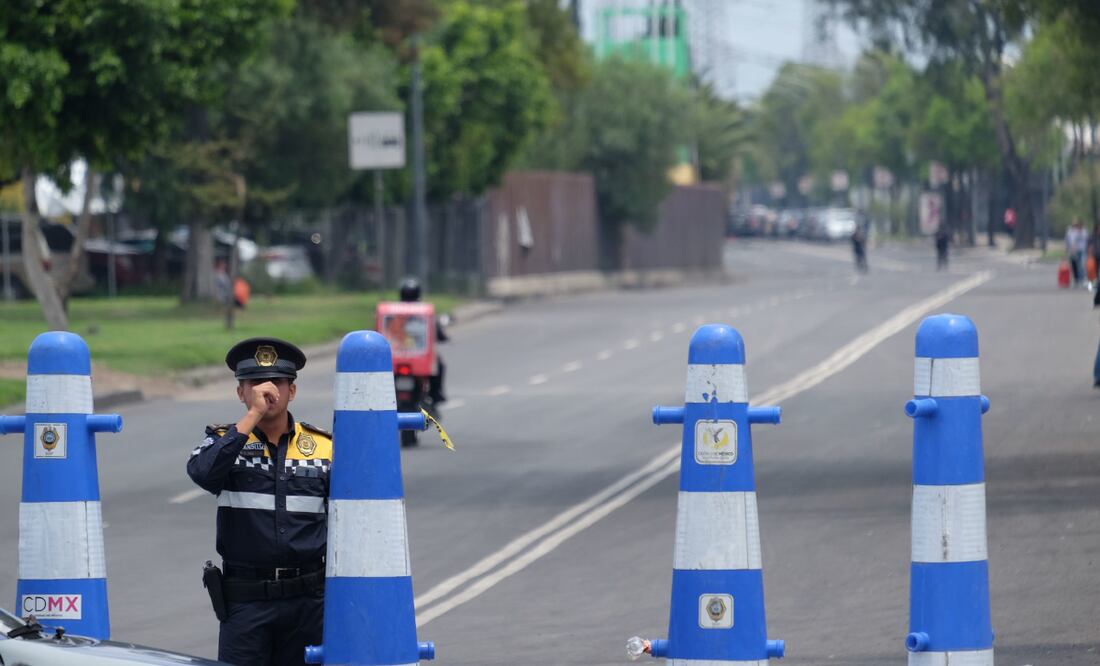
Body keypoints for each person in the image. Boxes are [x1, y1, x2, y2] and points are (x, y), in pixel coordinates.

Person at [187, 337, 332, 666]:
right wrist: (252, 416)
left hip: (308, 602)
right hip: (246, 604)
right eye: (255, 383)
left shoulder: (324, 448)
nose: (268, 390)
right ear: (241, 392)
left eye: (278, 383)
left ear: (292, 391)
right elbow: (203, 474)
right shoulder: (224, 442)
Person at [399, 277, 448, 402]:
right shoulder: (424, 311)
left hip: (397, 355)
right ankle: (435, 393)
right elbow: (437, 331)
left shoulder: (393, 311)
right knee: (439, 365)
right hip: (419, 356)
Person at [1065, 218, 1089, 287]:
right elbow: (1069, 240)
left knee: (1081, 265)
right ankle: (1077, 279)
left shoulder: (1084, 231)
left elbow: (1087, 240)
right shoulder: (1071, 231)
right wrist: (1068, 248)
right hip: (1074, 251)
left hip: (1083, 250)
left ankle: (1082, 279)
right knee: (1074, 265)